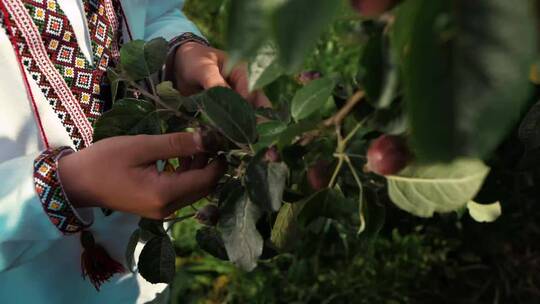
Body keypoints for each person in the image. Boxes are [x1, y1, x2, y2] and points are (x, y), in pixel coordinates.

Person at [0, 0, 268, 302]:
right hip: (34, 283)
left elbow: (153, 10)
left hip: (139, 258)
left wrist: (179, 54)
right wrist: (63, 187)